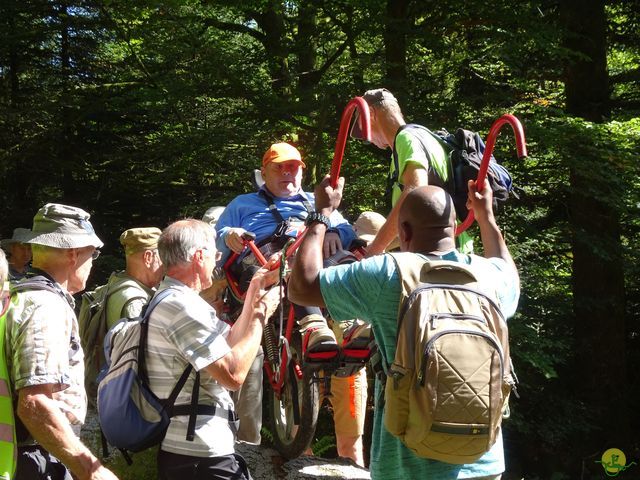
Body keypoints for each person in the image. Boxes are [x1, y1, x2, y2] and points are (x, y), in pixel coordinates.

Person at [289, 177, 520, 479]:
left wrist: (321, 214)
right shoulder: (490, 276)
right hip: (483, 461)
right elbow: (507, 269)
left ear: (404, 231)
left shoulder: (388, 274)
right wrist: (486, 217)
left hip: (406, 463)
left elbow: (302, 288)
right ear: (454, 226)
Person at [146, 219, 280, 480]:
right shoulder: (181, 308)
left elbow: (229, 343)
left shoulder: (179, 300)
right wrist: (260, 317)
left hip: (197, 453)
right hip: (199, 455)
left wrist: (254, 290)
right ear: (199, 256)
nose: (217, 262)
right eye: (215, 254)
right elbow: (233, 374)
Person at [5, 203, 118, 480]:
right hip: (34, 458)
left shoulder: (18, 295)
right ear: (73, 253)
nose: (93, 262)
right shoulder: (46, 306)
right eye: (94, 253)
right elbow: (34, 404)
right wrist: (91, 470)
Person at [216, 142, 356, 355]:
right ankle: (314, 326)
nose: (287, 172)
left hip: (313, 255)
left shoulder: (318, 201)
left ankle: (349, 322)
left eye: (293, 167)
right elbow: (216, 237)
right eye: (278, 167)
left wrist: (334, 233)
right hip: (263, 258)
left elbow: (347, 229)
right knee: (292, 262)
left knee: (345, 259)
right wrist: (229, 235)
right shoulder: (242, 204)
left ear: (301, 172)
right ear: (264, 173)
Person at [350, 88, 472, 254]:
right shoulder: (423, 136)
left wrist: (375, 249)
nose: (368, 139)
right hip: (449, 247)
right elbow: (418, 217)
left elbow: (415, 190)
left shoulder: (405, 139)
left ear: (370, 113)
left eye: (363, 130)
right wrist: (378, 244)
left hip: (439, 254)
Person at [104, 227, 164, 329]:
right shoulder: (135, 303)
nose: (165, 264)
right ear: (148, 258)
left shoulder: (117, 283)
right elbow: (139, 344)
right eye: (163, 257)